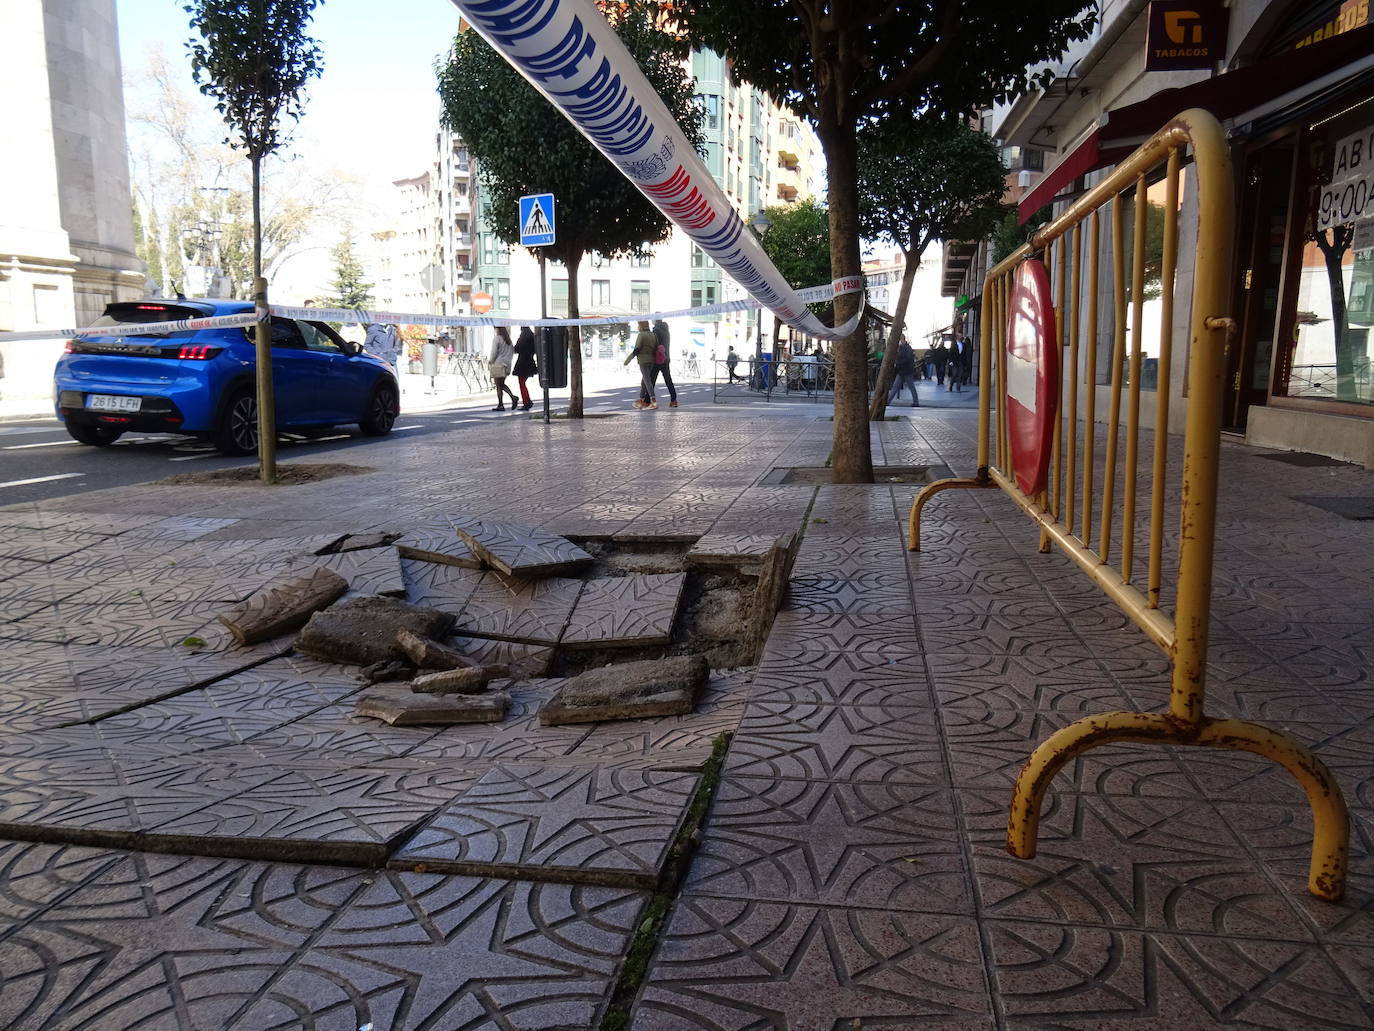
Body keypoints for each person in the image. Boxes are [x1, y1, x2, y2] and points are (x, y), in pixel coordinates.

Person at [624, 320, 659, 409]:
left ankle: (653, 401)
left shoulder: (641, 335)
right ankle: (641, 400)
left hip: (643, 361)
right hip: (652, 360)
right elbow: (656, 347)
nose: (638, 328)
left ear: (641, 326)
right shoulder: (653, 335)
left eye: (638, 326)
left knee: (647, 380)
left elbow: (637, 349)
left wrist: (627, 360)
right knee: (644, 380)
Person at [488, 326, 518, 411]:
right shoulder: (508, 340)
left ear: (498, 329)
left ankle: (501, 404)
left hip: (498, 364)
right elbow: (512, 352)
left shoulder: (497, 339)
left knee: (498, 385)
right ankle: (513, 398)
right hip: (507, 364)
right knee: (501, 384)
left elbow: (494, 352)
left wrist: (491, 361)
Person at [652, 318, 678, 407]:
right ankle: (673, 399)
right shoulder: (666, 330)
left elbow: (654, 344)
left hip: (658, 358)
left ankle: (648, 400)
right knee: (668, 379)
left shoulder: (656, 330)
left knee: (651, 379)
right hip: (666, 358)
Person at [887, 337, 920, 407]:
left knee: (906, 387)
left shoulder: (905, 348)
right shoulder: (904, 348)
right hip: (903, 370)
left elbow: (907, 359)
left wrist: (898, 363)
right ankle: (888, 401)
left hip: (905, 370)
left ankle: (916, 402)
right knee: (898, 386)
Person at [513, 325, 538, 411]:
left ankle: (526, 401)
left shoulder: (524, 336)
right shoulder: (532, 336)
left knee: (521, 383)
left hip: (523, 362)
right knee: (523, 383)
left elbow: (517, 348)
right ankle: (527, 401)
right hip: (530, 361)